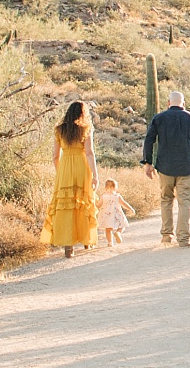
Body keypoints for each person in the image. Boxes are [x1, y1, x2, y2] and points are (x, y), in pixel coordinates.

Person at [142, 87, 190, 247]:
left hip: (165, 167)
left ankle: (166, 235)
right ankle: (183, 238)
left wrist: (148, 162)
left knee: (166, 200)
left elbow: (149, 140)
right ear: (184, 103)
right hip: (186, 167)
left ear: (168, 103)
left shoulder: (158, 118)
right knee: (185, 202)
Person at [42, 99, 98, 257]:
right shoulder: (86, 128)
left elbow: (55, 156)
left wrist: (60, 172)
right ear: (83, 113)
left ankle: (68, 246)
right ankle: (86, 240)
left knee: (65, 205)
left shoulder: (59, 130)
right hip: (81, 166)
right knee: (84, 201)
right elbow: (89, 153)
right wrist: (95, 174)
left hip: (65, 167)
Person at [99, 177, 136, 247]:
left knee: (108, 230)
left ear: (105, 187)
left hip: (107, 215)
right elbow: (124, 203)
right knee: (122, 225)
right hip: (117, 214)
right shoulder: (117, 196)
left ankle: (110, 243)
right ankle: (118, 233)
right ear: (115, 187)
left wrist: (93, 207)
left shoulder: (103, 196)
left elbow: (98, 205)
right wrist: (131, 209)